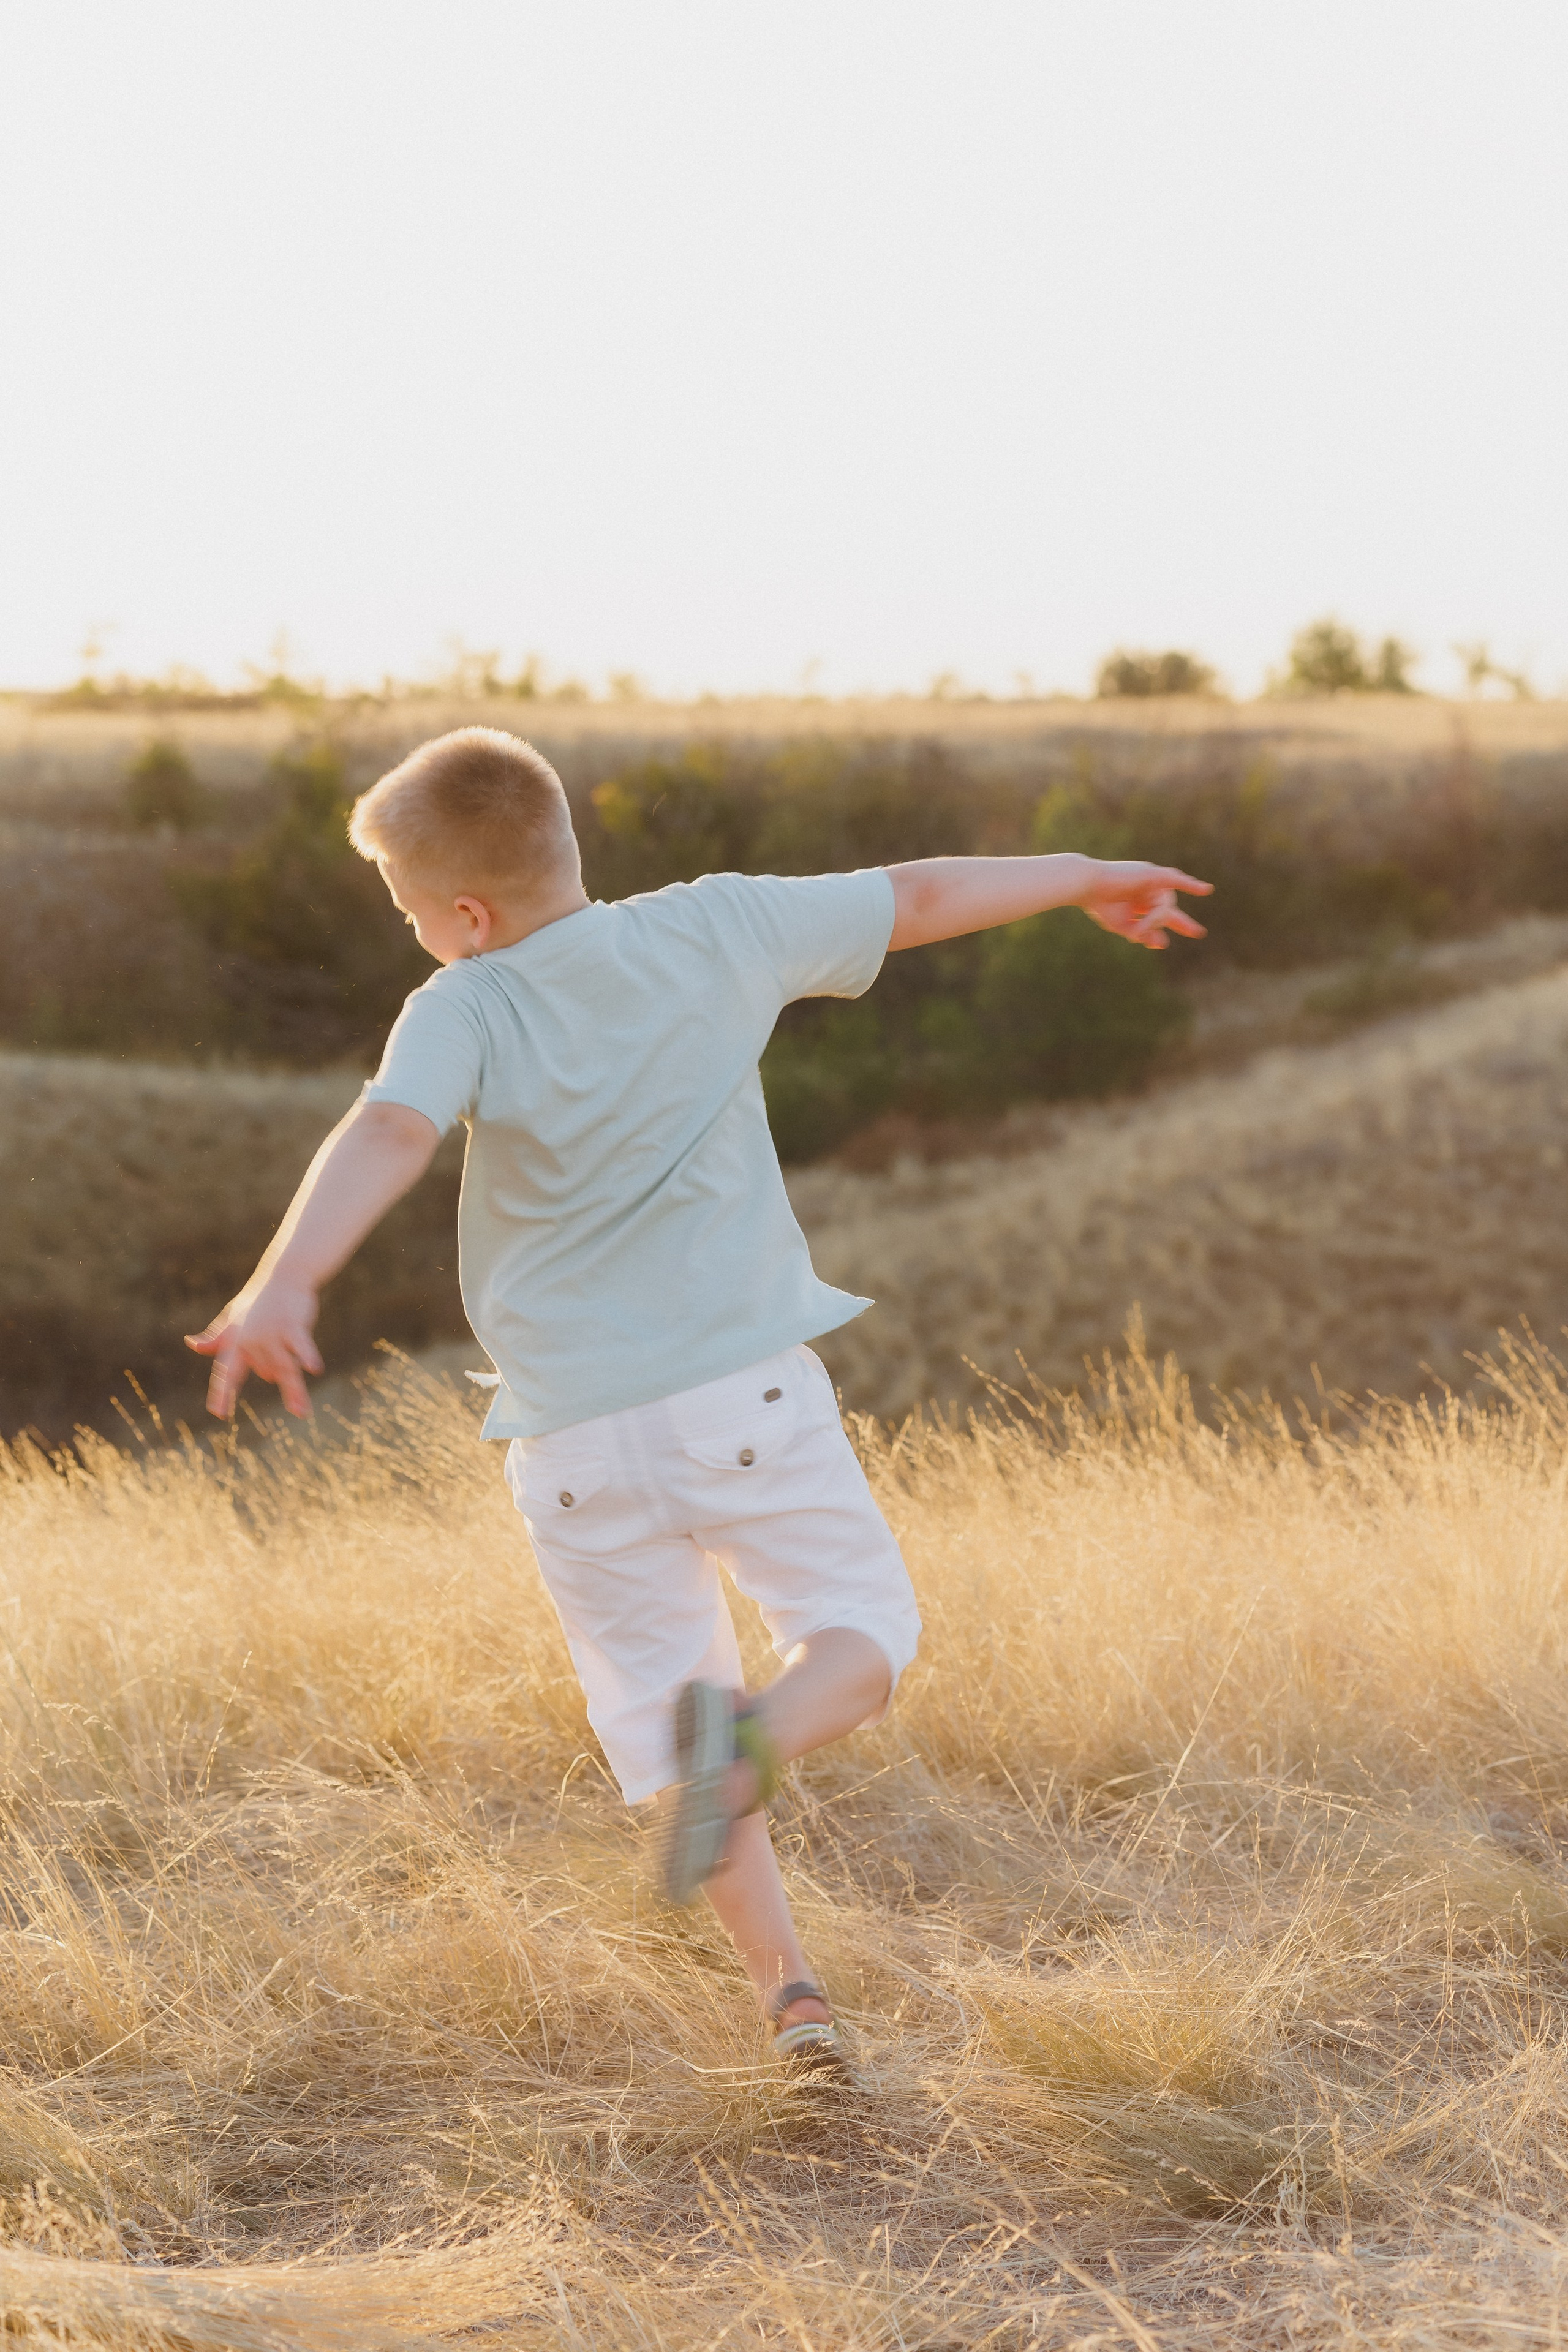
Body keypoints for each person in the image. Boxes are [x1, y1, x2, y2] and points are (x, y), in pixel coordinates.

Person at [187, 727, 1209, 2075]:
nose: (420, 938)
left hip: (567, 1445)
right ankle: (764, 1744)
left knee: (679, 1727)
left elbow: (389, 1126)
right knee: (861, 1639)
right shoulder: (719, 927)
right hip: (741, 1399)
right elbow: (918, 897)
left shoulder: (464, 1005)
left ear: (467, 914)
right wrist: (1083, 873)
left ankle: (793, 2000)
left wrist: (286, 1283)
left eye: (411, 914)